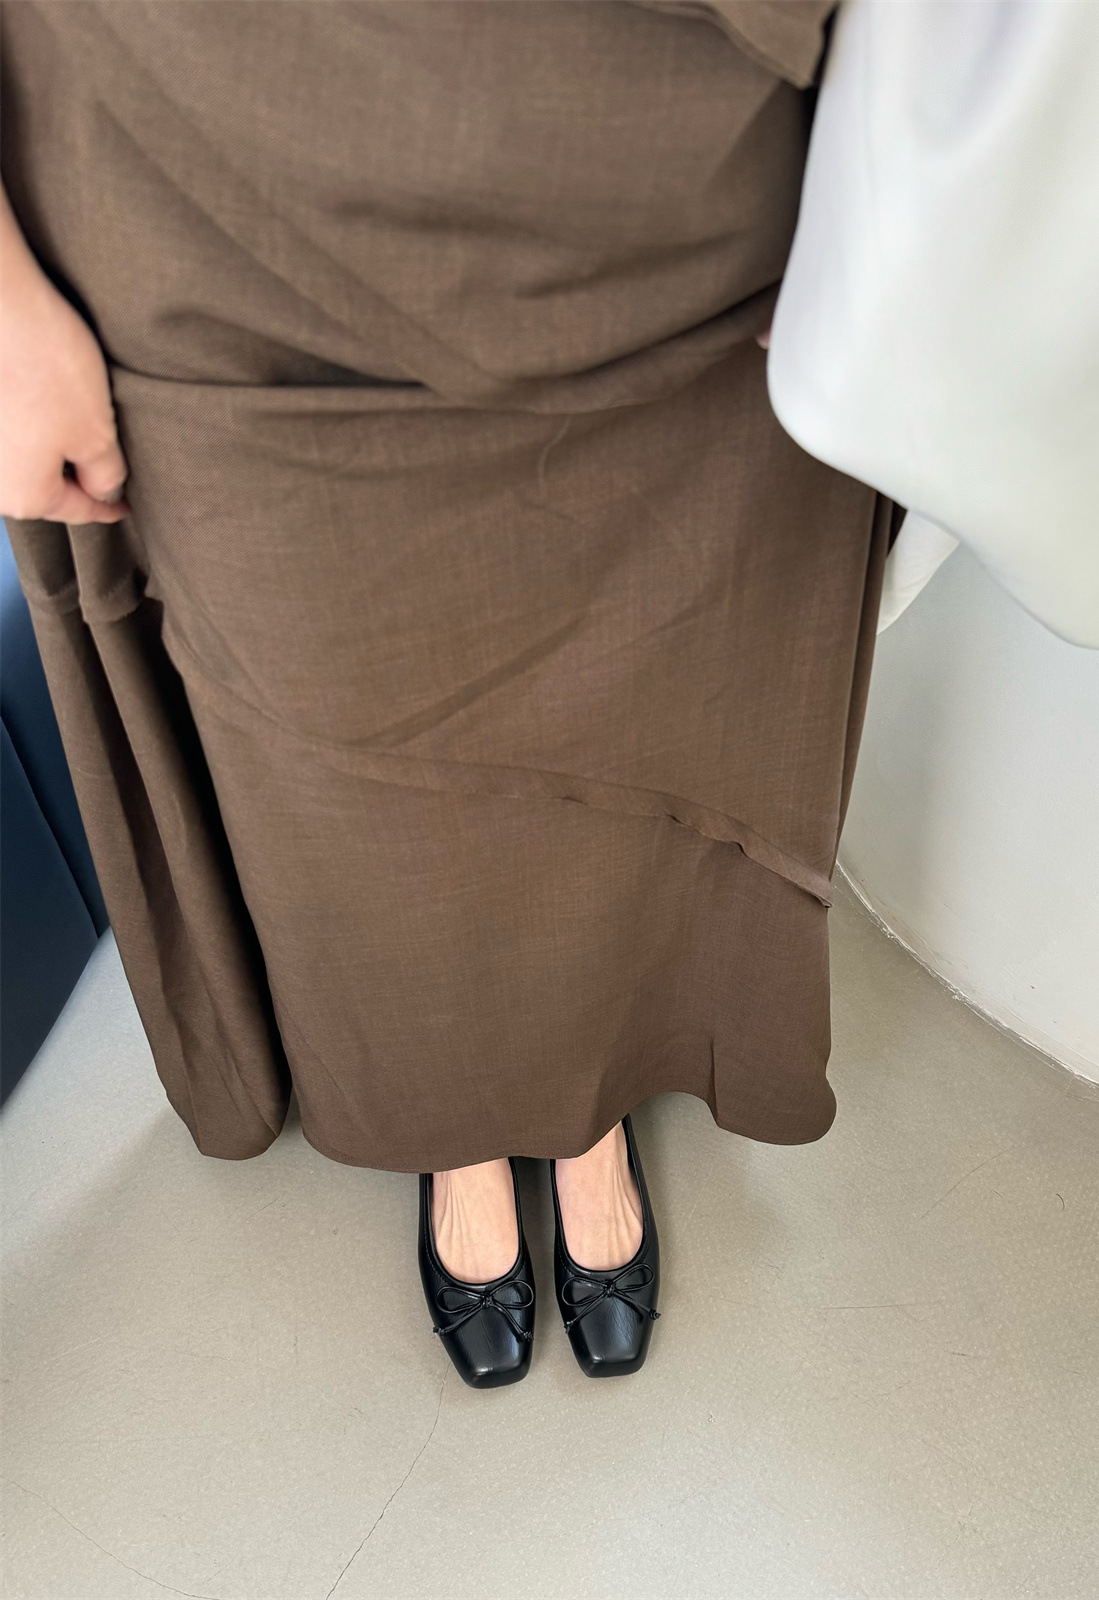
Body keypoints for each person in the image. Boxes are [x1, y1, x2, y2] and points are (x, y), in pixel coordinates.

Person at [0, 0, 897, 1388]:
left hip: (677, 211)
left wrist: (880, 186)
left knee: (654, 707)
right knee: (331, 764)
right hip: (212, 230)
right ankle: (455, 1124)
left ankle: (586, 1098)